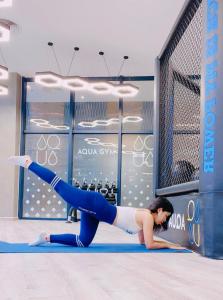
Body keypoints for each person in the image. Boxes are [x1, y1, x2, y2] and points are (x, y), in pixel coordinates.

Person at [9, 155, 185, 250]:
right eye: (166, 216)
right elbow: (150, 245)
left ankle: (46, 238)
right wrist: (169, 245)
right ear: (160, 209)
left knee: (82, 242)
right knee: (59, 186)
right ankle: (28, 162)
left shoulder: (146, 220)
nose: (164, 220)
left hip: (96, 213)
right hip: (95, 206)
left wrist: (162, 243)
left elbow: (143, 241)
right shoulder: (147, 216)